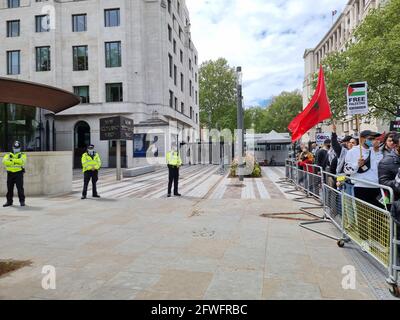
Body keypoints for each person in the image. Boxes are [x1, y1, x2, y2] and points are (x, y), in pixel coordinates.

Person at [344, 130, 384, 249]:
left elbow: (380, 167)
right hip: (361, 187)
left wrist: (376, 152)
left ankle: (375, 241)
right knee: (363, 216)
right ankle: (365, 241)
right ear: (362, 138)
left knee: (379, 214)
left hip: (377, 188)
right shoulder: (352, 152)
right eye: (371, 138)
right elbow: (347, 171)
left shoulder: (376, 151)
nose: (373, 141)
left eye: (375, 139)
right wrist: (357, 165)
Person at [2, 141, 26, 207]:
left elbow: (22, 161)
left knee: (20, 188)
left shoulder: (22, 154)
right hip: (10, 174)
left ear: (20, 148)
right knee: (9, 189)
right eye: (15, 148)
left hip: (19, 173)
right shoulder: (8, 154)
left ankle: (22, 201)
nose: (16, 149)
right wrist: (16, 161)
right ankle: (9, 202)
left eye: (17, 148)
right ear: (12, 147)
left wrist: (11, 160)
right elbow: (4, 161)